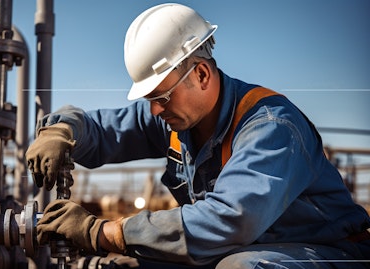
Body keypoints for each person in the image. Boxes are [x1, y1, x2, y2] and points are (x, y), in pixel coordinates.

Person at [26, 3, 370, 268]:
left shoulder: (271, 127)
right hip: (240, 247)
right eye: (150, 100)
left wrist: (105, 232)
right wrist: (62, 129)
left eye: (161, 97)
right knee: (127, 263)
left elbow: (231, 221)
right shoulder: (175, 118)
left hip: (328, 253)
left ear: (202, 74)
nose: (155, 111)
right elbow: (104, 130)